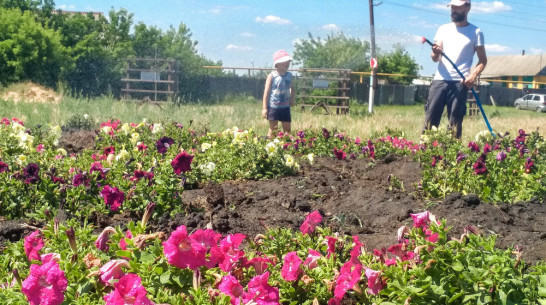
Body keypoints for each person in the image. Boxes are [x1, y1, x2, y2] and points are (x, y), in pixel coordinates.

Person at [423, 0, 487, 139]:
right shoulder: (443, 29)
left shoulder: (476, 32)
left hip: (460, 83)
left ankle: (452, 157)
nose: (453, 10)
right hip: (439, 80)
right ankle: (424, 154)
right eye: (452, 7)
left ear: (467, 8)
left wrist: (473, 75)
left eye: (457, 7)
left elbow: (483, 60)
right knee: (430, 121)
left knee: (454, 124)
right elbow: (434, 58)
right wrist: (435, 52)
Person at [262, 50, 295, 138]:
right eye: (285, 61)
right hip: (273, 107)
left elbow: (292, 87)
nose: (288, 63)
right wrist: (265, 108)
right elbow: (266, 93)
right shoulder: (272, 76)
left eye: (288, 61)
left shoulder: (289, 76)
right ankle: (270, 145)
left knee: (287, 129)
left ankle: (287, 146)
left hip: (285, 107)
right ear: (277, 64)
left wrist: (292, 99)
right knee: (273, 130)